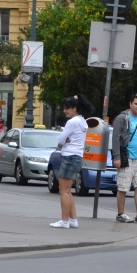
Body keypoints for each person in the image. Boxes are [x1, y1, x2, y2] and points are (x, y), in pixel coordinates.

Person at [111, 93, 137, 224]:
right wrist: (117, 157)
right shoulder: (122, 118)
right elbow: (116, 138)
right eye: (136, 104)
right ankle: (121, 214)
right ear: (130, 104)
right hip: (126, 157)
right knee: (123, 187)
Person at [51, 96, 86, 228]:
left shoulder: (72, 122)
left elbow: (60, 140)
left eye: (67, 108)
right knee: (68, 190)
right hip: (77, 156)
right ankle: (73, 219)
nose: (65, 111)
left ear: (74, 108)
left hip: (69, 156)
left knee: (64, 191)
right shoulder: (82, 121)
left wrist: (65, 140)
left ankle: (64, 221)